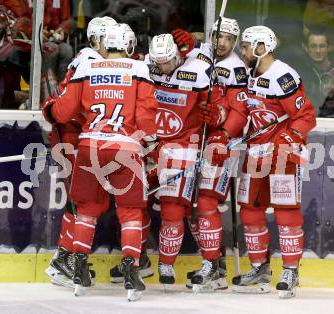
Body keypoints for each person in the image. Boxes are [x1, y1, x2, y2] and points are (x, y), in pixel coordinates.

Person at [43, 22, 158, 300]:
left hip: (89, 145)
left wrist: (50, 110)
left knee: (86, 210)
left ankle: (79, 268)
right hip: (125, 149)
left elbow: (64, 110)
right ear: (128, 46)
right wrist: (152, 142)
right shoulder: (140, 70)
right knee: (130, 212)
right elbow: (145, 118)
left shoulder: (86, 68)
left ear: (105, 44)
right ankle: (131, 271)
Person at [235, 25, 316, 299]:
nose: (242, 51)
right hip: (256, 152)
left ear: (261, 48)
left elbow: (306, 116)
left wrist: (289, 137)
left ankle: (291, 270)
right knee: (250, 211)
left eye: (246, 46)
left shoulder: (283, 76)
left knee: (286, 212)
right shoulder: (247, 75)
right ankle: (259, 267)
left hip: (282, 154)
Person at [172, 17, 249, 292]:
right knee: (191, 207)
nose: (223, 43)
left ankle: (212, 265)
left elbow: (240, 112)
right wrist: (188, 44)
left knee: (205, 203)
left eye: (229, 39)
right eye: (219, 37)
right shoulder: (202, 52)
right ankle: (215, 263)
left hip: (220, 143)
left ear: (235, 42)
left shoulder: (237, 69)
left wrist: (223, 131)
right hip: (194, 139)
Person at [44, 16, 118, 289]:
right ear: (95, 39)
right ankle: (65, 259)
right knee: (86, 200)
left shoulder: (92, 60)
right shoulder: (89, 62)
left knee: (91, 200)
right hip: (74, 136)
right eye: (107, 38)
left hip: (81, 136)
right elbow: (68, 106)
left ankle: (67, 257)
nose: (112, 43)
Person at [147, 33, 226, 287]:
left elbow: (221, 105)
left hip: (188, 146)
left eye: (168, 61)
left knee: (201, 208)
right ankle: (164, 263)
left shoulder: (201, 70)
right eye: (160, 63)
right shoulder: (147, 66)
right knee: (167, 209)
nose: (164, 67)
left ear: (178, 54)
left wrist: (217, 116)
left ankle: (212, 264)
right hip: (155, 145)